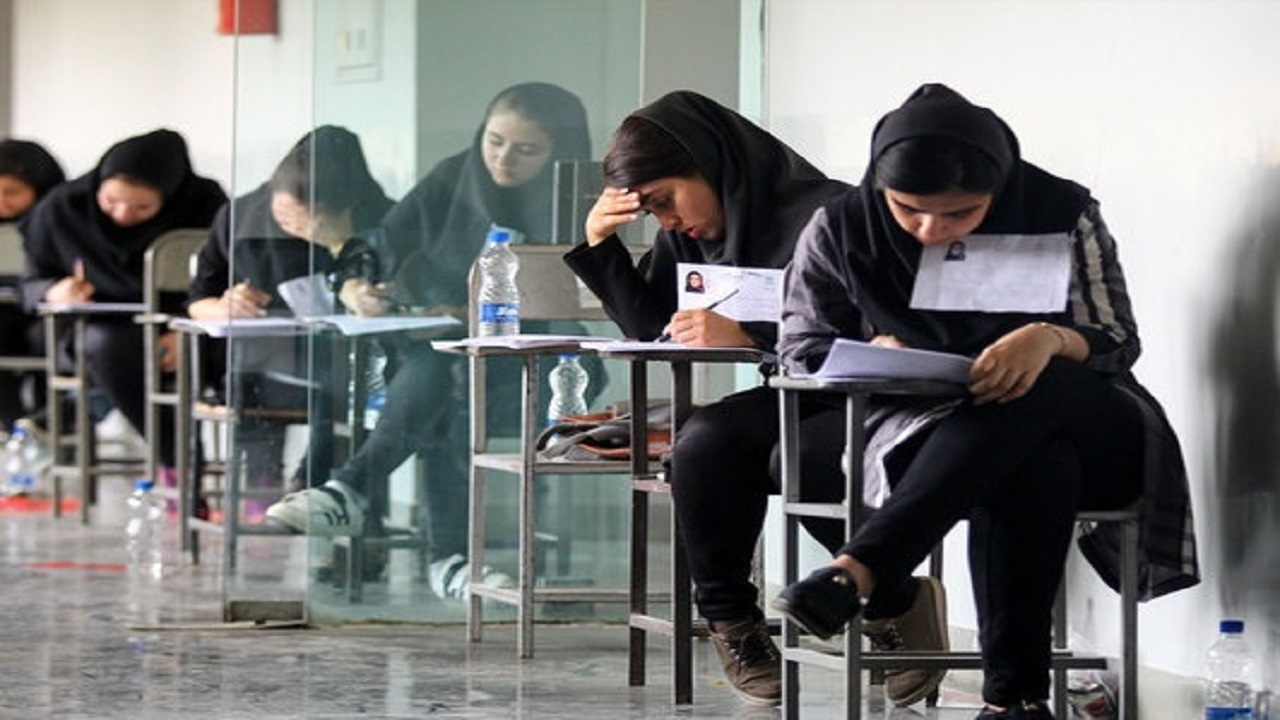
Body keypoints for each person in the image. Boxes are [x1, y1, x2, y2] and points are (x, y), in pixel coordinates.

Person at [770, 84, 1199, 719]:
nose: (930, 229)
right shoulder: (841, 225)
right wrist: (872, 350)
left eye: (961, 213)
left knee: (1041, 384)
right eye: (909, 209)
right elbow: (799, 347)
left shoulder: (1061, 209)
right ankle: (1014, 701)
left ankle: (864, 567)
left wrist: (1048, 339)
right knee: (1034, 461)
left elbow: (1117, 338)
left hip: (1093, 425)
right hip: (932, 434)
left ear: (998, 187)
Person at [561, 90, 952, 708]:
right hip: (794, 395)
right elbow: (655, 331)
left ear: (710, 164)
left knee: (796, 456)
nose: (667, 221)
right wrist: (600, 243)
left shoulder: (830, 213)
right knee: (704, 443)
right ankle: (732, 624)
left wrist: (751, 335)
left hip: (874, 397)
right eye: (651, 210)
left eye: (665, 200)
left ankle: (893, 601)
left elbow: (881, 332)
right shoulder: (693, 236)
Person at [266, 82, 604, 599]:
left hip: (539, 365)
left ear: (559, 150)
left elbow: (587, 294)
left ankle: (356, 494)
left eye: (525, 149)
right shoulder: (454, 176)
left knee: (446, 383)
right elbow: (378, 247)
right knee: (446, 377)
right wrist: (355, 286)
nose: (503, 159)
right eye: (494, 141)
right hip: (445, 360)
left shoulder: (580, 198)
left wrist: (477, 315)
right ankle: (445, 559)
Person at [188, 126, 394, 517]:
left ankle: (320, 490)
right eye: (284, 213)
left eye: (307, 218)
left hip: (349, 370)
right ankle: (281, 490)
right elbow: (198, 300)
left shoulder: (382, 220)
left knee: (348, 385)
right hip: (266, 366)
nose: (293, 226)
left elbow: (405, 298)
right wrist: (225, 304)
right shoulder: (243, 215)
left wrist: (340, 245)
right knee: (271, 379)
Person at [20, 129, 227, 463]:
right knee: (106, 347)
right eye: (110, 201)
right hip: (96, 332)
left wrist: (185, 329)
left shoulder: (205, 205)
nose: (122, 214)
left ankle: (78, 414)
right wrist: (54, 290)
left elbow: (222, 280)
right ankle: (180, 461)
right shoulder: (65, 207)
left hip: (181, 329)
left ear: (170, 196)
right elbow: (30, 282)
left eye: (142, 207)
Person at [0, 138, 66, 432]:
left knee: (53, 342)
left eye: (12, 192)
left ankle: (50, 429)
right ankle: (13, 429)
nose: (2, 200)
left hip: (44, 316)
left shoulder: (59, 220)